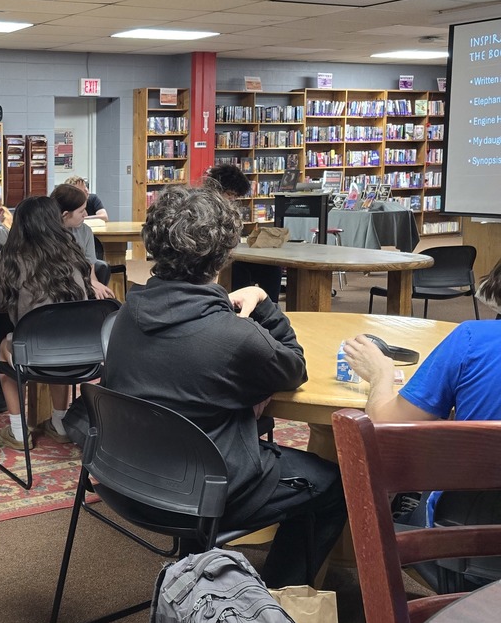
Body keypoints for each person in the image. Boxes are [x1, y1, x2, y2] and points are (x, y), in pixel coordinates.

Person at [104, 184, 347, 588]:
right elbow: (293, 368)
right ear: (223, 254)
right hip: (201, 492)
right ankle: (271, 608)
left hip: (126, 478)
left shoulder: (128, 311)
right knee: (334, 485)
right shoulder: (234, 337)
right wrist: (263, 301)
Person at [343, 269, 501, 589]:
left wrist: (380, 373)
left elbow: (385, 426)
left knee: (407, 472)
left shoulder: (471, 340)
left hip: (465, 555)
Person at [0, 196, 94, 449]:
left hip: (36, 353)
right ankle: (60, 423)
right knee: (55, 337)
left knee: (7, 344)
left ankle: (18, 432)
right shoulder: (74, 254)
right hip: (81, 352)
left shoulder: (13, 257)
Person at [205, 161, 282, 303]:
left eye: (235, 196)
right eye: (229, 194)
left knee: (272, 269)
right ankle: (238, 309)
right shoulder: (205, 207)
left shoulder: (229, 210)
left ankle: (271, 309)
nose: (232, 199)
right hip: (211, 261)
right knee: (238, 271)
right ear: (216, 189)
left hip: (230, 257)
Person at [50, 183, 116, 300]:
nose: (85, 215)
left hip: (81, 283)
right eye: (81, 211)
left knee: (106, 299)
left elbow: (90, 269)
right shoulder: (47, 235)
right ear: (65, 215)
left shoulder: (85, 231)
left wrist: (94, 286)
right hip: (57, 287)